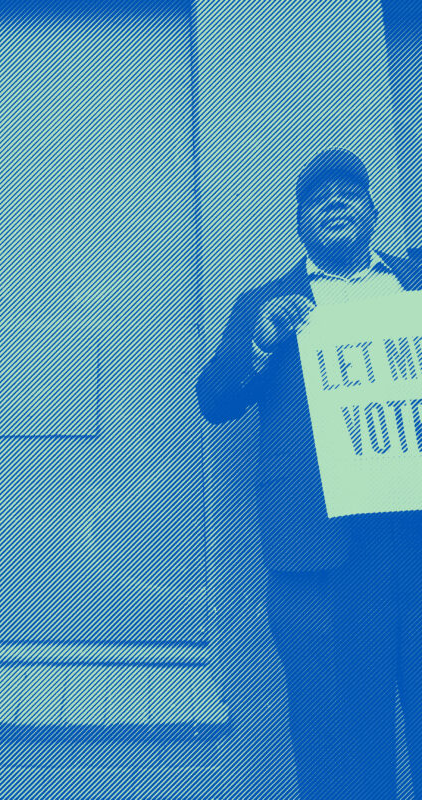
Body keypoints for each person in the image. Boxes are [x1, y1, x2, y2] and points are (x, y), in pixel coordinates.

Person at [196, 149, 422, 800]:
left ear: (374, 212)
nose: (334, 200)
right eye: (317, 195)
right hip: (323, 560)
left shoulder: (415, 288)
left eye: (349, 190)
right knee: (338, 745)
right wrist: (260, 344)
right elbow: (214, 400)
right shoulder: (266, 304)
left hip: (415, 544)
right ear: (300, 225)